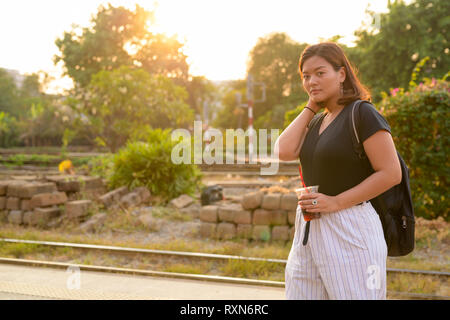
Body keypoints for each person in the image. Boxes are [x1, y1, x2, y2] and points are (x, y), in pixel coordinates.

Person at [274, 42, 402, 300]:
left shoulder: (362, 114)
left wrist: (335, 202)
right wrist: (311, 106)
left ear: (341, 74)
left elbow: (391, 173)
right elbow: (283, 151)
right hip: (309, 229)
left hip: (351, 226)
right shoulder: (319, 119)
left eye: (320, 73)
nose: (312, 81)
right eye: (306, 76)